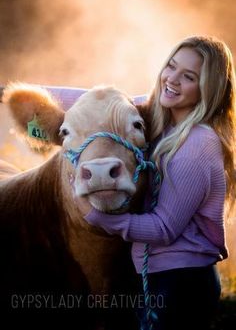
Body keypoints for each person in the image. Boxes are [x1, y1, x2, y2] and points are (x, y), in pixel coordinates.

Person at [82, 36, 236, 330]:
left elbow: (163, 229)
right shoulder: (161, 119)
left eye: (188, 76)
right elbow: (100, 101)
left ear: (208, 90)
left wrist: (98, 218)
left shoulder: (199, 143)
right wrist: (26, 96)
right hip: (154, 276)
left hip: (181, 283)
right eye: (171, 66)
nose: (172, 79)